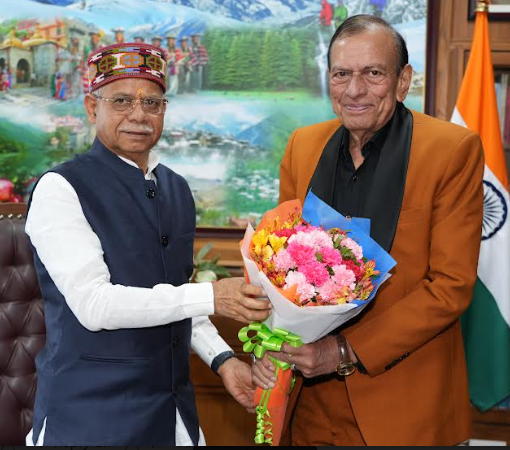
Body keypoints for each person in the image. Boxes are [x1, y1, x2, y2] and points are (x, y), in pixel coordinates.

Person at [252, 15, 484, 446]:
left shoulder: (451, 150)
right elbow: (276, 263)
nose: (354, 90)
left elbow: (450, 286)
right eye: (341, 74)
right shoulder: (303, 145)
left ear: (403, 81)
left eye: (373, 73)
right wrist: (268, 342)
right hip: (307, 404)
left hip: (404, 406)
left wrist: (343, 351)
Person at [25, 42, 271, 446]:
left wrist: (223, 359)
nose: (139, 115)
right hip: (90, 416)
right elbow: (95, 305)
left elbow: (175, 296)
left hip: (171, 412)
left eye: (152, 103)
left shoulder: (176, 188)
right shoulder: (61, 188)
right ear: (92, 108)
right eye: (122, 101)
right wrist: (212, 296)